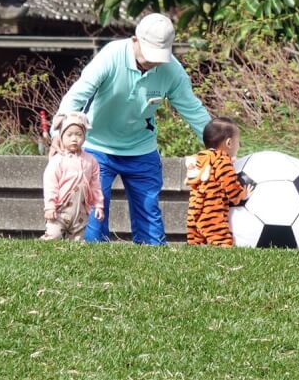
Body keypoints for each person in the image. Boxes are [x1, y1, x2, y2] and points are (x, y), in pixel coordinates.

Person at [55, 13, 211, 245]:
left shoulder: (172, 71)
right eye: (149, 54)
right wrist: (59, 134)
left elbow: (193, 110)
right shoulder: (110, 56)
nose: (153, 62)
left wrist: (218, 148)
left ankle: (154, 273)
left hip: (142, 150)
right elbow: (78, 95)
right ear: (134, 40)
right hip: (97, 148)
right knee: (93, 228)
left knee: (151, 226)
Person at [185, 117, 252, 247]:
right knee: (221, 241)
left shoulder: (200, 157)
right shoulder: (223, 161)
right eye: (239, 142)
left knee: (195, 244)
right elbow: (230, 185)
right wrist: (242, 194)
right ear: (229, 143)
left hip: (194, 212)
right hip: (212, 212)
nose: (239, 146)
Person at [41, 112, 105, 241]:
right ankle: (39, 253)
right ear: (61, 136)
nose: (74, 139)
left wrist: (98, 205)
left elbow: (95, 185)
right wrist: (50, 206)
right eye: (69, 135)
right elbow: (50, 185)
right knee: (53, 235)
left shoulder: (90, 161)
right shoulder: (57, 160)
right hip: (59, 210)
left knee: (77, 240)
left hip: (81, 211)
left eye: (79, 134)